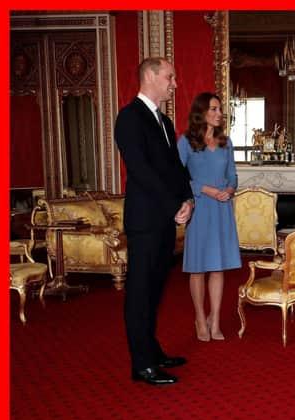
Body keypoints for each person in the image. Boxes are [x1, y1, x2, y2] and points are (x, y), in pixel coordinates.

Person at [114, 57, 194, 386]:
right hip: (146, 220)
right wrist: (171, 205)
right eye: (169, 77)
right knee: (140, 293)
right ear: (150, 76)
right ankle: (142, 365)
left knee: (155, 291)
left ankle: (152, 350)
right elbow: (141, 172)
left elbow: (174, 167)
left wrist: (187, 199)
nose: (174, 83)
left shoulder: (162, 119)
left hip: (164, 219)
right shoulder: (129, 118)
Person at [177, 92, 241, 342]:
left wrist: (228, 189)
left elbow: (233, 176)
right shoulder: (186, 142)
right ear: (201, 112)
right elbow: (178, 177)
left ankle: (215, 320)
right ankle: (199, 318)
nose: (218, 114)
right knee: (198, 267)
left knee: (217, 266)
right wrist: (205, 189)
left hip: (222, 209)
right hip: (200, 208)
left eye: (220, 109)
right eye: (213, 109)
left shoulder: (226, 142)